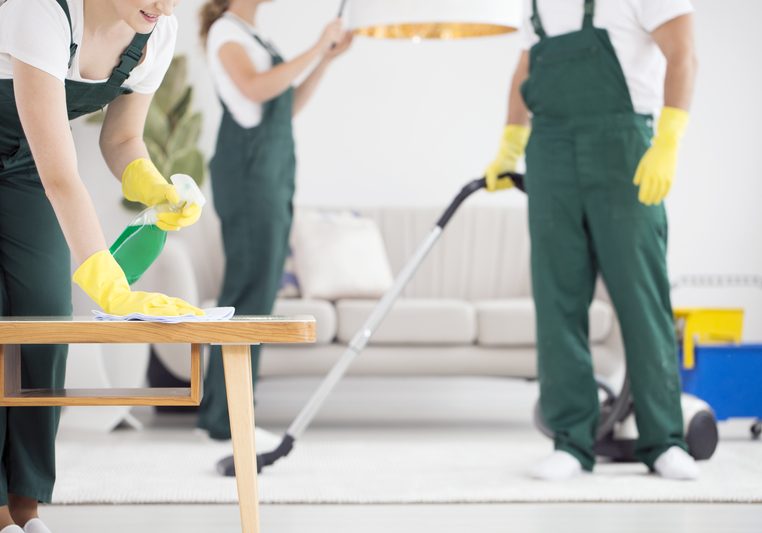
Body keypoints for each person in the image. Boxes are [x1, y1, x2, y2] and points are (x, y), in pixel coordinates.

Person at [0, 0, 204, 531]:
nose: (164, 5)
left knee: (45, 324)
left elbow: (121, 138)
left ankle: (27, 505)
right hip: (43, 166)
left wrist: (155, 187)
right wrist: (110, 287)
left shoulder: (155, 34)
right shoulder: (41, 10)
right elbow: (61, 174)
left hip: (26, 167)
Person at [484, 0, 699, 480]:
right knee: (557, 296)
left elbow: (683, 52)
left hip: (624, 148)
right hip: (551, 150)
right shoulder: (536, 4)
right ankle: (571, 441)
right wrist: (511, 142)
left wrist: (668, 139)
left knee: (641, 297)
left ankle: (663, 439)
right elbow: (524, 68)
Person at [196, 0, 352, 440]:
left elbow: (287, 103)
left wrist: (324, 59)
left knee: (257, 294)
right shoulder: (226, 33)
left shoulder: (254, 35)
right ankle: (226, 419)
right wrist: (316, 44)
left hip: (271, 173)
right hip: (249, 173)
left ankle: (224, 415)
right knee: (248, 292)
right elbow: (256, 88)